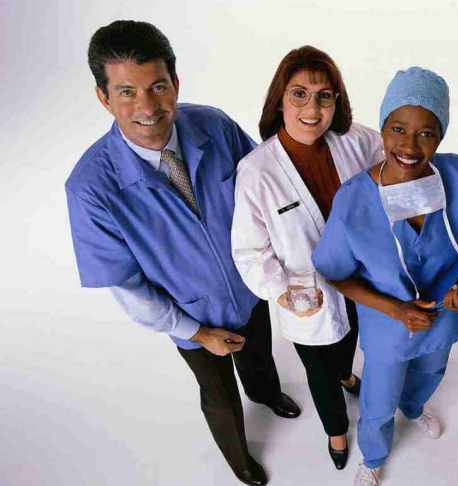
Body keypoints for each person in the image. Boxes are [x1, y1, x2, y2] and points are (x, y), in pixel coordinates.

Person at [65, 20, 301, 486]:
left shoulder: (214, 125)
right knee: (219, 395)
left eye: (158, 86)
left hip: (251, 290)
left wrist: (280, 269)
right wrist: (196, 331)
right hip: (189, 318)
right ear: (103, 98)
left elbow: (264, 189)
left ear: (175, 82)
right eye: (127, 92)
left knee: (260, 358)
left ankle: (268, 395)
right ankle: (240, 460)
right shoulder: (90, 188)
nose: (148, 107)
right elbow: (129, 289)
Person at [313, 67, 458, 486]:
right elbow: (335, 273)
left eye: (426, 133)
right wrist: (396, 310)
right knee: (379, 399)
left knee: (431, 373)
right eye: (398, 129)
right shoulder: (355, 200)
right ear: (381, 128)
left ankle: (413, 408)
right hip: (388, 329)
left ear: (441, 136)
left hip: (444, 317)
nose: (410, 146)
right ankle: (373, 455)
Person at [230, 46, 382, 470]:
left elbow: (389, 165)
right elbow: (249, 251)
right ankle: (336, 431)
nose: (312, 109)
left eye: (324, 96)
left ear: (337, 101)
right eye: (299, 94)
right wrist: (282, 292)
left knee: (349, 340)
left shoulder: (355, 141)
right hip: (305, 298)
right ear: (279, 100)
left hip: (358, 280)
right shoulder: (256, 171)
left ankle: (348, 374)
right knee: (319, 369)